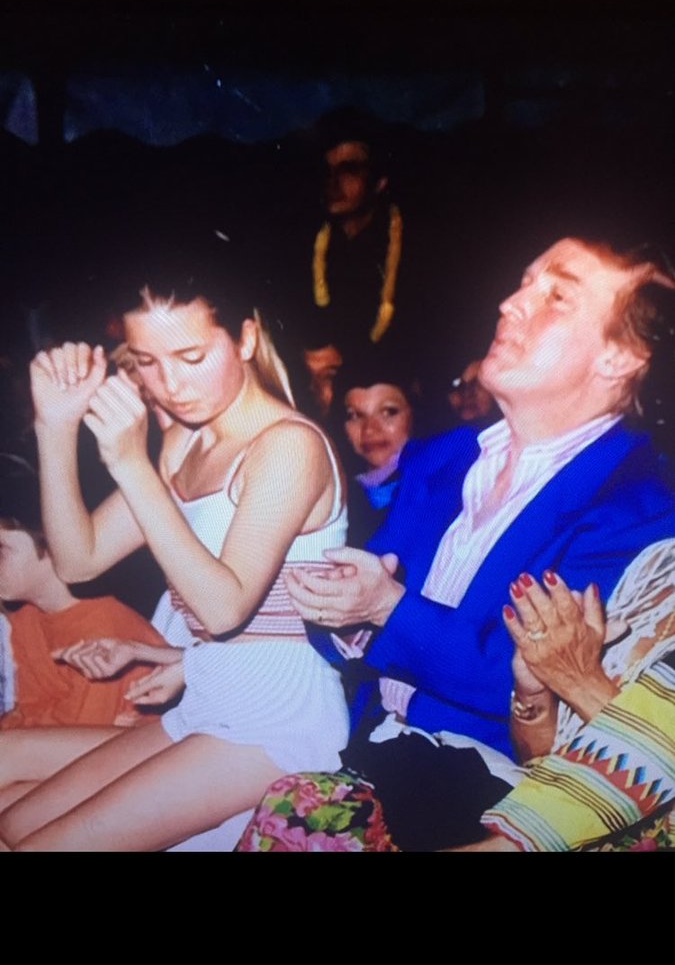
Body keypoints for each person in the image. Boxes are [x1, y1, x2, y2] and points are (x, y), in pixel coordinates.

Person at [0, 243, 349, 852]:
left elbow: (222, 609)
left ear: (245, 339)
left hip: (277, 722)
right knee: (13, 823)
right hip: (205, 705)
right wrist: (55, 425)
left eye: (192, 357)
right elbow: (78, 560)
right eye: (147, 363)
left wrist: (130, 463)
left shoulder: (288, 446)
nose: (170, 386)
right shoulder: (187, 441)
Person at [287, 238, 675, 763]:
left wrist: (384, 608)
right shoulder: (444, 456)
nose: (510, 304)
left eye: (557, 296)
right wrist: (345, 612)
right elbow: (358, 605)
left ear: (619, 357)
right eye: (524, 283)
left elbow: (533, 676)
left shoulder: (638, 505)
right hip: (359, 744)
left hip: (484, 782)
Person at [239, 539, 675, 852]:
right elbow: (544, 759)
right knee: (299, 806)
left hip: (586, 828)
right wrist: (536, 691)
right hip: (543, 800)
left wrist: (579, 681)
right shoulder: (658, 564)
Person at [0, 466, 166, 732]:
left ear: (51, 542)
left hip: (111, 749)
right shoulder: (26, 620)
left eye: (1, 551)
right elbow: (29, 712)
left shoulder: (104, 629)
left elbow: (78, 731)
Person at [338, 354, 415, 546]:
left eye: (388, 412)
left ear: (413, 414)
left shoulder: (446, 487)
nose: (370, 430)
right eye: (355, 416)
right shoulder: (337, 495)